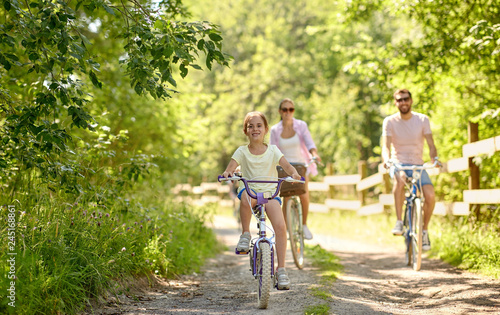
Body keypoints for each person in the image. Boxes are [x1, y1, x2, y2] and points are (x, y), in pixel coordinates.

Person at [221, 111, 301, 290]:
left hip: (270, 194)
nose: (255, 129)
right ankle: (245, 234)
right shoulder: (242, 151)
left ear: (265, 129)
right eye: (251, 126)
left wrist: (294, 173)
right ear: (245, 131)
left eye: (259, 126)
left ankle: (281, 270)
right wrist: (228, 173)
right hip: (250, 191)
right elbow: (231, 167)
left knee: (280, 227)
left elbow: (286, 166)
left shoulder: (273, 150)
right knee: (245, 199)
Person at [382, 89, 440, 251]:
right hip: (399, 163)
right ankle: (399, 221)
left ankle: (424, 231)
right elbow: (386, 147)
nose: (403, 103)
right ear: (395, 103)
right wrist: (387, 161)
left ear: (411, 100)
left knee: (430, 195)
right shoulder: (390, 121)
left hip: (418, 165)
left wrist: (434, 159)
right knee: (399, 179)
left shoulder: (422, 119)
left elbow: (431, 144)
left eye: (406, 99)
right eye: (399, 100)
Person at [270, 98, 321, 240]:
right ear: (280, 111)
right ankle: (285, 230)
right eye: (285, 109)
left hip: (300, 165)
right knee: (286, 197)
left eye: (291, 109)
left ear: (293, 111)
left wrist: (315, 154)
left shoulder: (301, 125)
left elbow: (310, 142)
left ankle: (304, 225)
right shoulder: (275, 130)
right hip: (284, 166)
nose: (288, 112)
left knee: (304, 194)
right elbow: (272, 149)